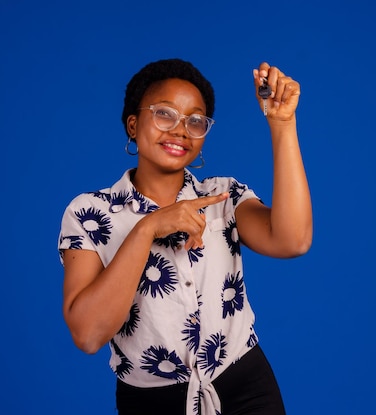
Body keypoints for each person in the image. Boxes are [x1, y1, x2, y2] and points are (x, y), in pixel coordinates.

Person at [58, 58, 312, 415]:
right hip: (150, 403)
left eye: (195, 120)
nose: (180, 129)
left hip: (247, 390)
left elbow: (293, 240)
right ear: (133, 124)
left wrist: (282, 124)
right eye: (165, 113)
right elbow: (87, 335)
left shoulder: (224, 197)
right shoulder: (89, 214)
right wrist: (147, 228)